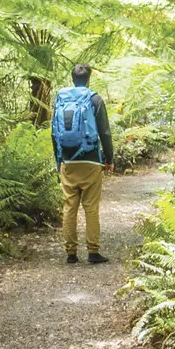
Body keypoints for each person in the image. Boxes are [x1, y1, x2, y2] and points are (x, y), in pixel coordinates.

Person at [50, 61, 115, 264]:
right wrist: (109, 159)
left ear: (72, 79)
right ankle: (93, 252)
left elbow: (54, 133)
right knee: (91, 207)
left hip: (68, 161)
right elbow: (104, 131)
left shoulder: (61, 100)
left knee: (70, 207)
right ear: (89, 78)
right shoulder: (94, 99)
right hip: (91, 161)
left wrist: (58, 161)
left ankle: (71, 253)